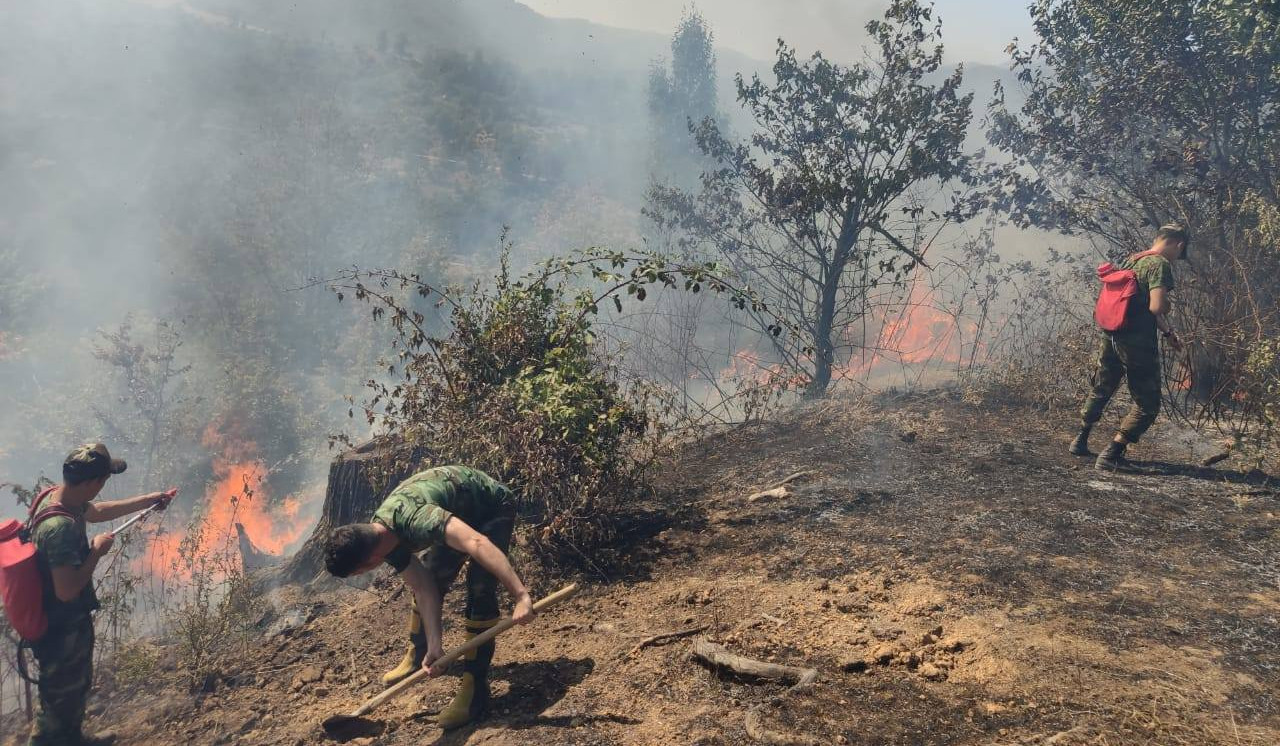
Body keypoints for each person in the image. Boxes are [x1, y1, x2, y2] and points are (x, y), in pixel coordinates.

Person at [323, 465, 533, 730]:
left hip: (490, 505)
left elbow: (476, 542)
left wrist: (521, 596)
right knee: (432, 575)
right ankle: (420, 652)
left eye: (358, 572)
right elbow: (423, 587)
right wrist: (436, 644)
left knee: (480, 590)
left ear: (368, 562)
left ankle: (475, 689)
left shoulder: (417, 520)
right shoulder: (379, 535)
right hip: (456, 515)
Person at [29, 443, 177, 746]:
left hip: (67, 625)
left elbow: (96, 512)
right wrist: (96, 553)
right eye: (103, 481)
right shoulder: (58, 528)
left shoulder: (58, 497)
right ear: (91, 483)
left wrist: (149, 500)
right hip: (60, 629)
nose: (103, 486)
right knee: (57, 703)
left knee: (74, 691)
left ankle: (73, 738)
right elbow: (67, 590)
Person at [1071, 224, 1189, 470]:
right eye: (1181, 251)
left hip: (1112, 335)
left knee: (1103, 386)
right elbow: (1156, 307)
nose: (1178, 257)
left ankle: (1080, 439)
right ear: (1178, 244)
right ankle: (1112, 454)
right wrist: (1167, 306)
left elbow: (1137, 306)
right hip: (1137, 344)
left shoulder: (1132, 260)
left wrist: (1168, 334)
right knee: (1148, 404)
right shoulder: (1160, 265)